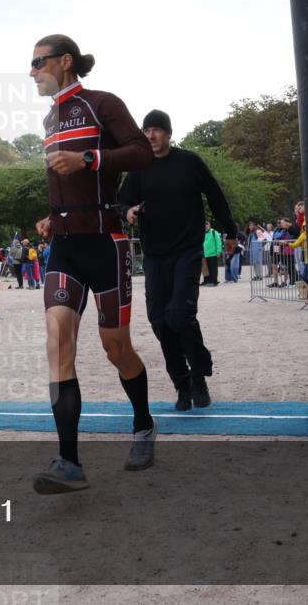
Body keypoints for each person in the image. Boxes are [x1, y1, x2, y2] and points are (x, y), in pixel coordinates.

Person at [28, 33, 155, 494]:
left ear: (65, 61)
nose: (31, 72)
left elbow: (141, 152)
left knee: (115, 349)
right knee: (58, 344)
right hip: (65, 248)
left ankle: (143, 424)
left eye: (38, 62)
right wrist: (52, 217)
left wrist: (89, 158)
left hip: (106, 244)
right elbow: (65, 185)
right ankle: (69, 461)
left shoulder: (102, 103)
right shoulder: (50, 118)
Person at [118, 109, 236, 412]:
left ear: (169, 133)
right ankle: (182, 384)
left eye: (157, 130)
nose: (151, 135)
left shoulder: (189, 162)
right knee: (160, 321)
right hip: (155, 255)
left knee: (180, 316)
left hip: (187, 251)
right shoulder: (139, 168)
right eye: (147, 130)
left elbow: (215, 195)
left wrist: (231, 231)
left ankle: (199, 377)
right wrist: (128, 211)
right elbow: (122, 200)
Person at [201, 221, 221, 286]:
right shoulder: (202, 233)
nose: (206, 227)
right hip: (204, 254)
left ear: (209, 226)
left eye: (207, 225)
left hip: (213, 254)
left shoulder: (214, 232)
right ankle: (207, 281)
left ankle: (214, 281)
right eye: (204, 226)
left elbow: (218, 242)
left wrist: (218, 251)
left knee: (213, 268)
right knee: (205, 268)